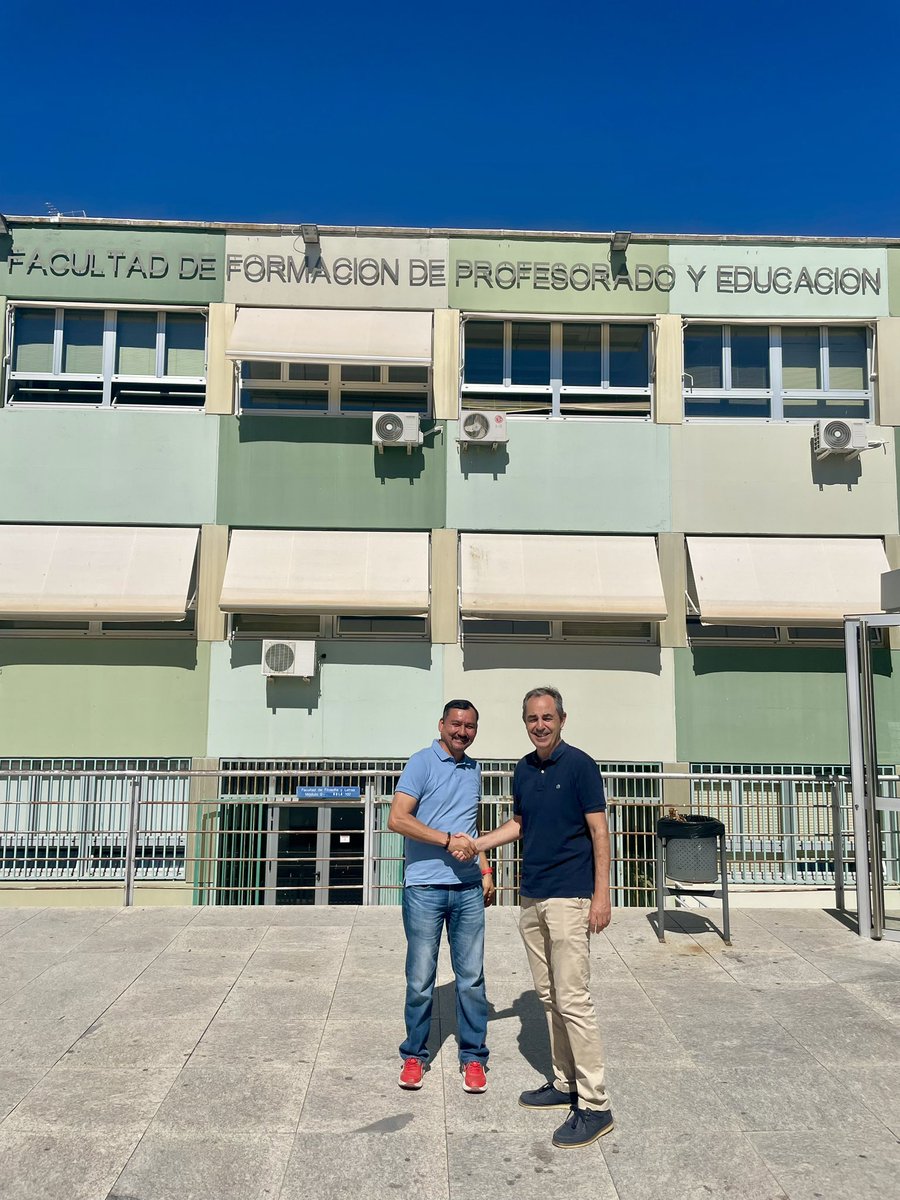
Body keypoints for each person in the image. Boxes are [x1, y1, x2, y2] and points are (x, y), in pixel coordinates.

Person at [468, 686, 614, 1148]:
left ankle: (595, 1104)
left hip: (570, 898)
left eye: (547, 717)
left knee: (574, 999)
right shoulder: (523, 769)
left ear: (562, 720)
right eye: (532, 718)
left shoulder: (581, 765)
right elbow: (521, 825)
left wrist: (601, 896)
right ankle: (564, 1081)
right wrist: (476, 845)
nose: (540, 725)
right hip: (532, 897)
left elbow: (598, 832)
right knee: (550, 997)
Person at [388, 699, 495, 1094]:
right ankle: (414, 1055)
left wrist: (484, 868)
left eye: (469, 726)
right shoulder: (421, 762)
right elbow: (397, 818)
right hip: (425, 889)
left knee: (471, 980)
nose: (461, 732)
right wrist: (446, 841)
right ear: (441, 725)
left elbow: (468, 825)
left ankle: (473, 1058)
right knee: (420, 980)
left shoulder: (474, 769)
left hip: (467, 889)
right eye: (455, 724)